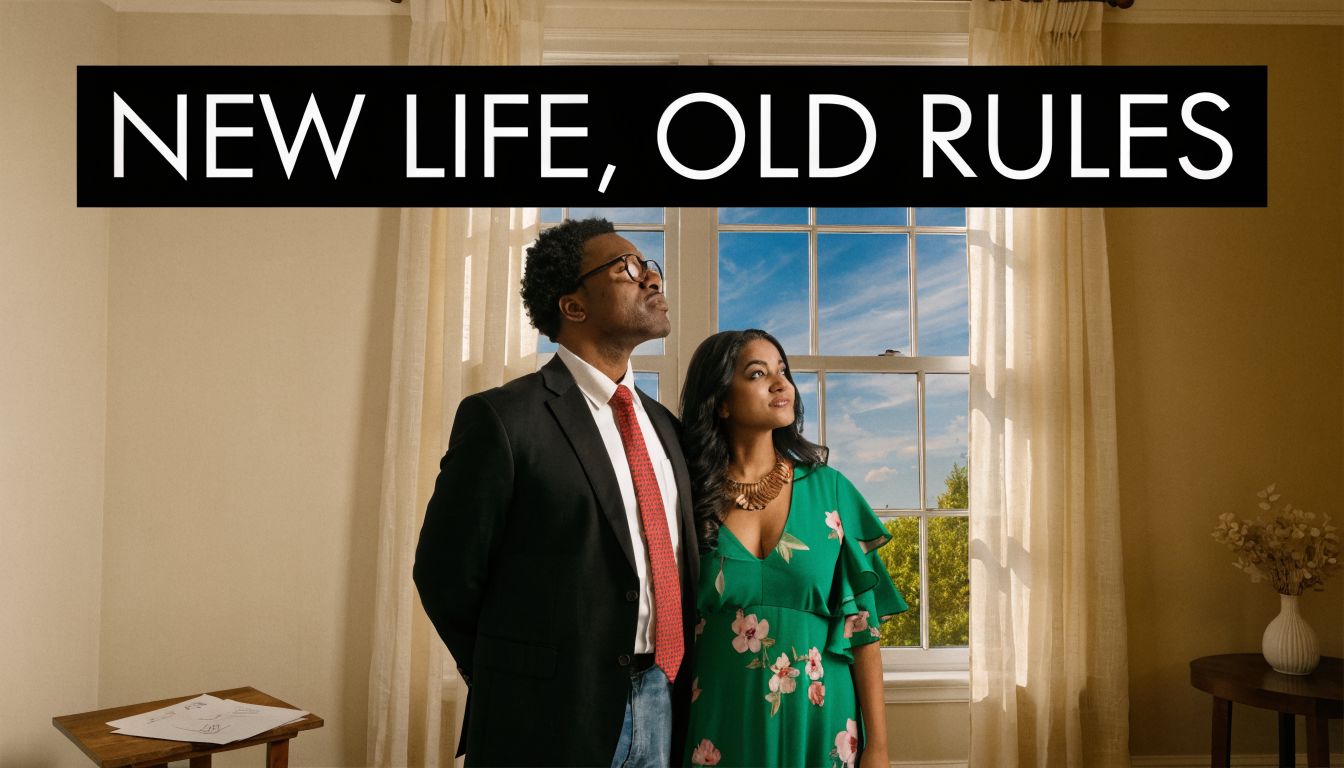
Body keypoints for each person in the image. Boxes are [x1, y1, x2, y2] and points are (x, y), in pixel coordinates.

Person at [413, 218, 698, 766]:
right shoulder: (502, 418)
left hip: (663, 699)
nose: (651, 279)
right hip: (543, 715)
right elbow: (444, 573)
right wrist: (516, 673)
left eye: (651, 266)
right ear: (573, 307)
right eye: (627, 269)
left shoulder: (664, 426)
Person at [678, 329, 908, 767]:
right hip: (719, 726)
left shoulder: (831, 492)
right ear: (721, 401)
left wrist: (878, 748)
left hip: (822, 723)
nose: (781, 383)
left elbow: (863, 632)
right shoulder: (689, 498)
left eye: (782, 371)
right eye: (758, 373)